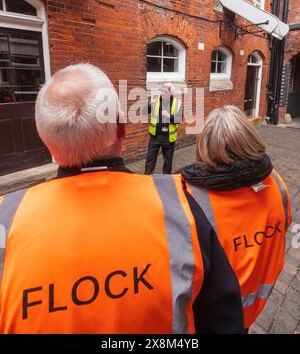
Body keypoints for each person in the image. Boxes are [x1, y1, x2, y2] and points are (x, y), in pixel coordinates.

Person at [0, 64, 244, 334]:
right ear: (121, 129)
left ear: (45, 140)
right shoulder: (180, 207)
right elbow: (224, 316)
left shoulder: (6, 217)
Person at [180, 105, 292, 331]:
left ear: (205, 145)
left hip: (209, 318)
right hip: (250, 310)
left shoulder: (189, 199)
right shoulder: (277, 184)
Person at [144, 83, 181, 175]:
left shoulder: (177, 103)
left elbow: (178, 120)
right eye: (162, 91)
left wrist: (168, 116)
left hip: (168, 138)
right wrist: (150, 104)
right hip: (155, 137)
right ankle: (147, 178)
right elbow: (143, 112)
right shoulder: (156, 100)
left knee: (168, 162)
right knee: (150, 159)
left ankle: (166, 180)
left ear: (171, 93)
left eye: (165, 91)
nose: (163, 93)